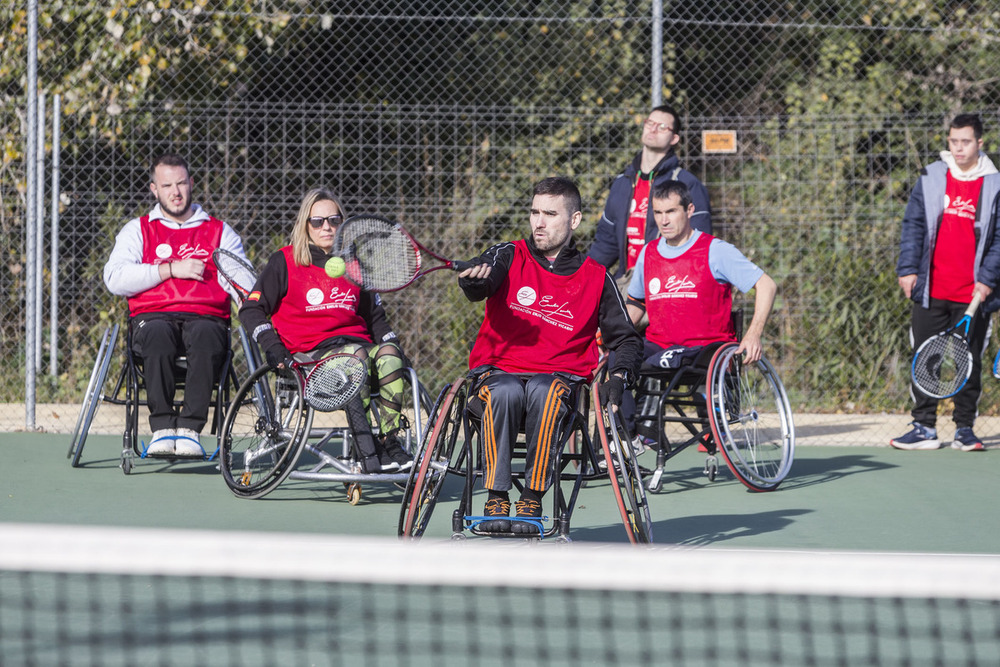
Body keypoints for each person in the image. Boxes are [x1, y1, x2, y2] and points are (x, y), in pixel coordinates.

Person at [457, 176, 643, 534]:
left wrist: (619, 377)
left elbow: (628, 341)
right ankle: (496, 495)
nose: (538, 222)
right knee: (505, 390)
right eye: (534, 212)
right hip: (498, 375)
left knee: (547, 389)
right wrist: (473, 282)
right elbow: (483, 282)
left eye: (550, 214)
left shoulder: (596, 277)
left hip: (560, 383)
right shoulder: (508, 255)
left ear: (573, 220)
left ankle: (532, 495)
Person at [238, 187, 412, 473]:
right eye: (317, 221)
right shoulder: (284, 261)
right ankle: (369, 452)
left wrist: (394, 345)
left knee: (390, 354)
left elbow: (375, 317)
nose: (327, 227)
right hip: (312, 359)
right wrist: (272, 345)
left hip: (357, 348)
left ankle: (389, 441)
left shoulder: (353, 265)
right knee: (356, 357)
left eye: (333, 219)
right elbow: (251, 310)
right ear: (305, 225)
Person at [104, 153, 248, 457]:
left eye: (181, 183)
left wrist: (249, 303)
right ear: (154, 189)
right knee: (157, 333)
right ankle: (162, 428)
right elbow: (115, 278)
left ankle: (189, 430)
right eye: (167, 185)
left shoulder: (220, 232)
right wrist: (169, 269)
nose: (176, 192)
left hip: (206, 317)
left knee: (208, 334)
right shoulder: (138, 230)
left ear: (191, 183)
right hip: (152, 317)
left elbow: (242, 282)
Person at [623, 181, 776, 447]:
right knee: (617, 359)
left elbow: (767, 285)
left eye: (671, 211)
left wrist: (753, 334)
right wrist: (615, 331)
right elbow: (637, 303)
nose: (663, 220)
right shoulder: (648, 254)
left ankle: (653, 426)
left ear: (690, 210)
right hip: (660, 345)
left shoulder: (715, 251)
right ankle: (627, 437)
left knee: (660, 361)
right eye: (658, 213)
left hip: (705, 350)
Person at [892, 113, 1000, 452]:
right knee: (925, 359)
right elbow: (913, 225)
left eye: (965, 142)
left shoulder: (995, 182)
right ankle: (923, 427)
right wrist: (908, 269)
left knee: (970, 362)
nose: (958, 148)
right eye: (953, 141)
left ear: (979, 143)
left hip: (973, 295)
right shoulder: (932, 176)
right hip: (931, 290)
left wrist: (987, 280)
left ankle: (964, 429)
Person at [589, 103, 712, 281]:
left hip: (668, 283)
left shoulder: (687, 184)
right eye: (650, 123)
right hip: (627, 282)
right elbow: (606, 245)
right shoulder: (622, 184)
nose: (653, 129)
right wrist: (577, 278)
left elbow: (700, 246)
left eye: (662, 127)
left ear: (674, 138)